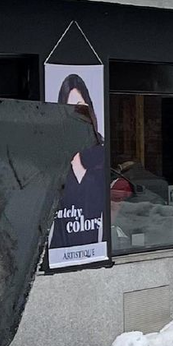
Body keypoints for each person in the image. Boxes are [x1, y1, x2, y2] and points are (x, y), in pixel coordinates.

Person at [48, 73, 106, 255]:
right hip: (59, 257)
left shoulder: (102, 157)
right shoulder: (53, 161)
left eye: (81, 108)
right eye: (69, 109)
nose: (77, 115)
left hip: (96, 252)